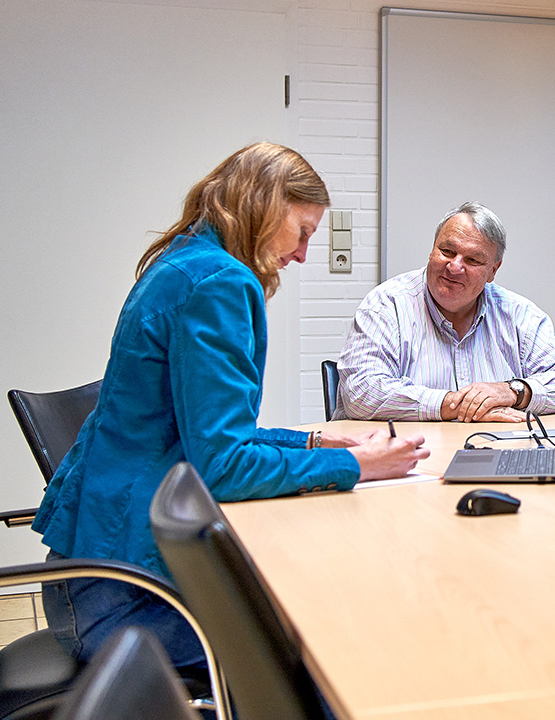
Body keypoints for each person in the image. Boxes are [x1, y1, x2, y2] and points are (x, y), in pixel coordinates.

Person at [32, 143, 430, 675]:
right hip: (124, 599)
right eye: (304, 231)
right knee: (335, 651)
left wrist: (316, 441)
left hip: (95, 575)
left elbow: (210, 434)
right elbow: (223, 466)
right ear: (265, 205)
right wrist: (360, 466)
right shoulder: (220, 282)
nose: (304, 253)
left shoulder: (186, 261)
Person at [336, 201, 555, 422]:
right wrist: (455, 405)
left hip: (496, 453)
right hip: (411, 460)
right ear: (432, 250)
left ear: (493, 271)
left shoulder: (519, 314)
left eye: (473, 260)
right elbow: (361, 391)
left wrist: (512, 392)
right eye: (447, 251)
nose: (454, 267)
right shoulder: (386, 306)